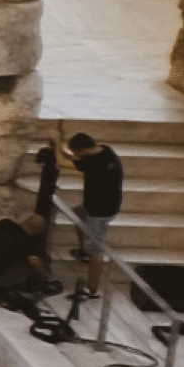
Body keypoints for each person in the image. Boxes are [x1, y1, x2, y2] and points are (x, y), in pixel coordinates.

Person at [70, 134, 130, 322]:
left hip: (100, 211)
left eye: (77, 153)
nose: (77, 156)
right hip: (94, 205)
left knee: (96, 248)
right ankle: (84, 251)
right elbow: (77, 159)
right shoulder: (104, 150)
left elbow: (67, 163)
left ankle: (92, 289)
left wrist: (56, 144)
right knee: (77, 214)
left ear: (85, 151)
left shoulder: (96, 165)